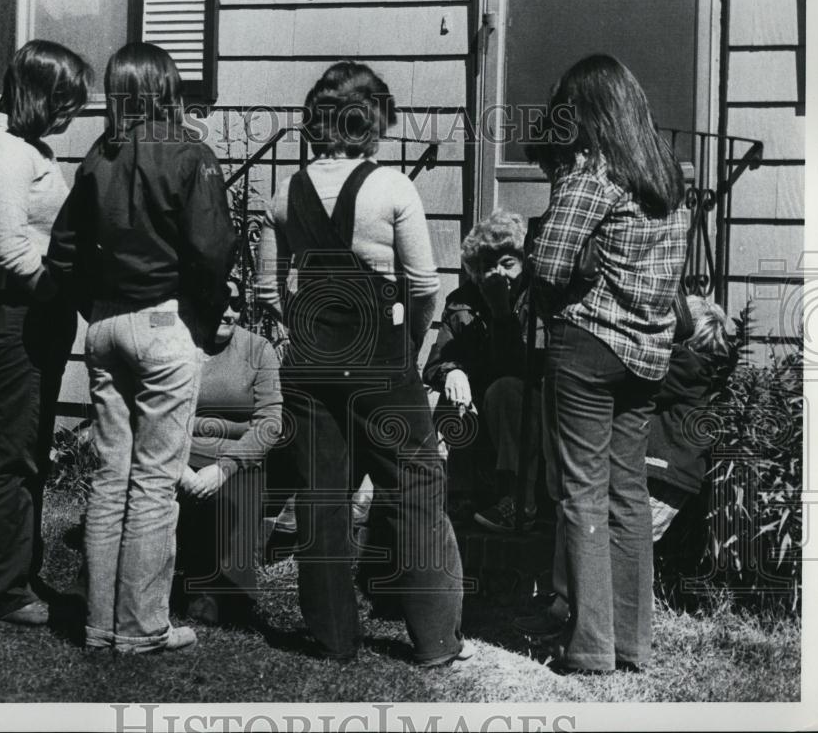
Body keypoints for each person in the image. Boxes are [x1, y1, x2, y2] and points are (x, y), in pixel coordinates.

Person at [255, 61, 472, 667]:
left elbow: (271, 293)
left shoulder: (283, 195)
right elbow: (425, 285)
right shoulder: (393, 188)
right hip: (383, 366)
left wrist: (304, 331)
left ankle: (333, 638)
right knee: (416, 486)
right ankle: (434, 640)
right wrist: (410, 346)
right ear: (370, 121)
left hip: (309, 365)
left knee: (321, 498)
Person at [47, 43, 237, 654]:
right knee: (155, 482)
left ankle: (100, 625)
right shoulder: (191, 154)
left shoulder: (95, 159)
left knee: (111, 477)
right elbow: (213, 251)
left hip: (103, 328)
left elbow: (64, 255)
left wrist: (97, 314)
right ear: (168, 91)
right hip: (162, 325)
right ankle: (143, 627)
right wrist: (202, 323)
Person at [527, 54, 688, 674]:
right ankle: (634, 642)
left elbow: (547, 264)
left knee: (581, 495)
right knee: (629, 494)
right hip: (648, 355)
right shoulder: (667, 177)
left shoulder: (591, 175)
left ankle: (590, 646)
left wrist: (565, 260)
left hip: (588, 346)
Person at [0, 40, 90, 626]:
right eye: (65, 104)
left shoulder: (23, 145)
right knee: (12, 451)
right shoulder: (7, 152)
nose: (71, 117)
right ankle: (4, 589)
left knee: (31, 446)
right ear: (38, 97)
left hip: (39, 312)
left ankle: (19, 570)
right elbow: (15, 251)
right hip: (23, 311)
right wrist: (63, 299)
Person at [422, 208, 545, 531]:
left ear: (524, 261)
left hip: (528, 407)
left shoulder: (539, 298)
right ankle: (455, 497)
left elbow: (524, 367)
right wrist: (452, 371)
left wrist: (501, 314)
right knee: (450, 395)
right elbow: (435, 362)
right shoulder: (462, 300)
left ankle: (518, 501)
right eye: (488, 266)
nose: (497, 274)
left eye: (507, 263)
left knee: (505, 390)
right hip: (477, 408)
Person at [174, 280, 282, 625]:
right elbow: (150, 412)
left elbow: (269, 423)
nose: (229, 312)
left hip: (234, 456)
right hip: (176, 452)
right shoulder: (175, 344)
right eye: (221, 302)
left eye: (236, 305)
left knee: (242, 483)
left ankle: (225, 590)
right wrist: (177, 465)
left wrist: (226, 466)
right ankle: (106, 581)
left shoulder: (257, 349)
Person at [646, 295, 736, 541]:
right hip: (675, 471)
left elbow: (645, 385)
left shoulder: (683, 364)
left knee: (632, 543)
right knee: (636, 543)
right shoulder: (704, 367)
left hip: (664, 467)